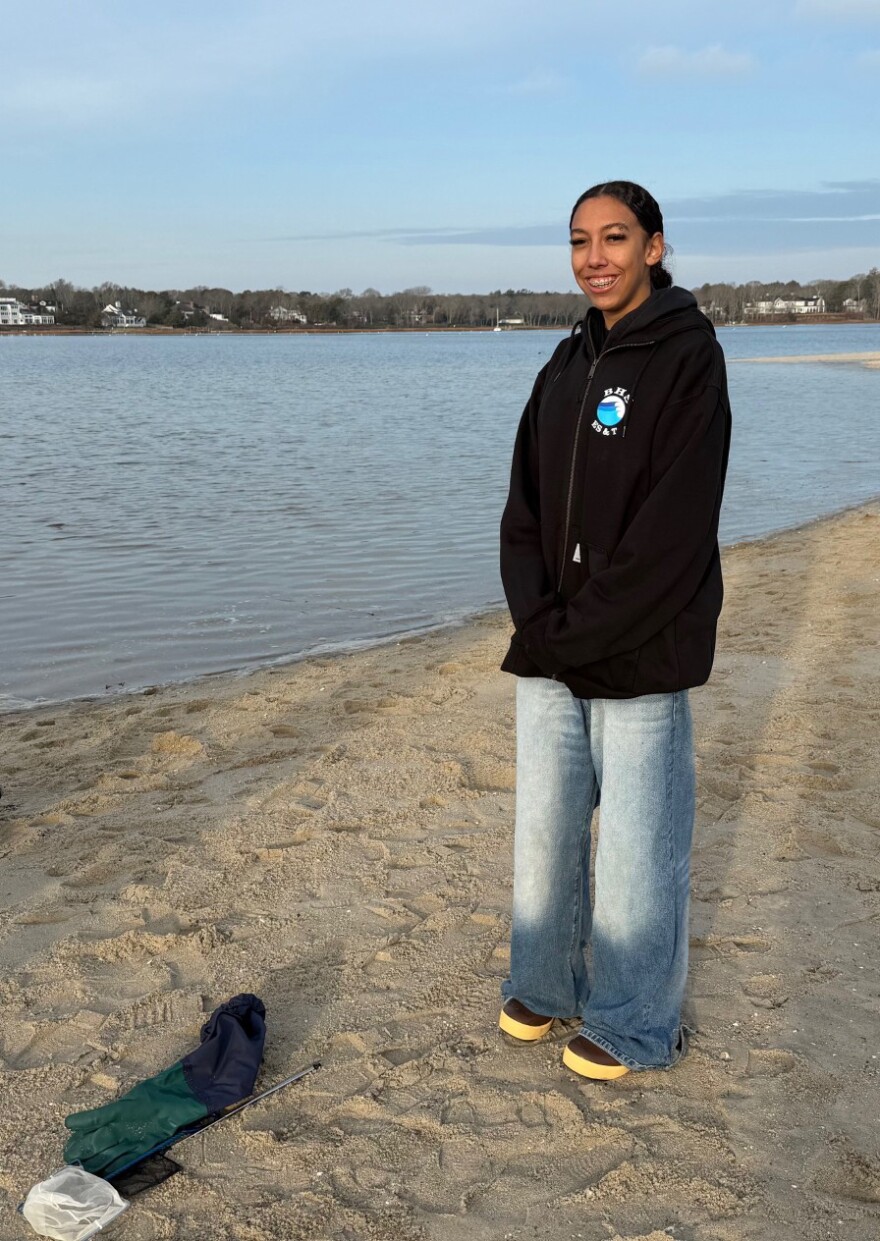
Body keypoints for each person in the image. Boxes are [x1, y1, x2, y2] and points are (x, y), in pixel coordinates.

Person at [498, 180, 731, 1080]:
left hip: (640, 648)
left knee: (640, 844)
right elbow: (521, 506)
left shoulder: (688, 357)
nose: (595, 256)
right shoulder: (561, 366)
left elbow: (673, 532)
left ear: (655, 247)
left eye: (616, 238)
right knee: (545, 829)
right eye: (580, 240)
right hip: (554, 647)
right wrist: (540, 622)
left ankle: (636, 1022)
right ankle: (547, 983)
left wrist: (580, 630)